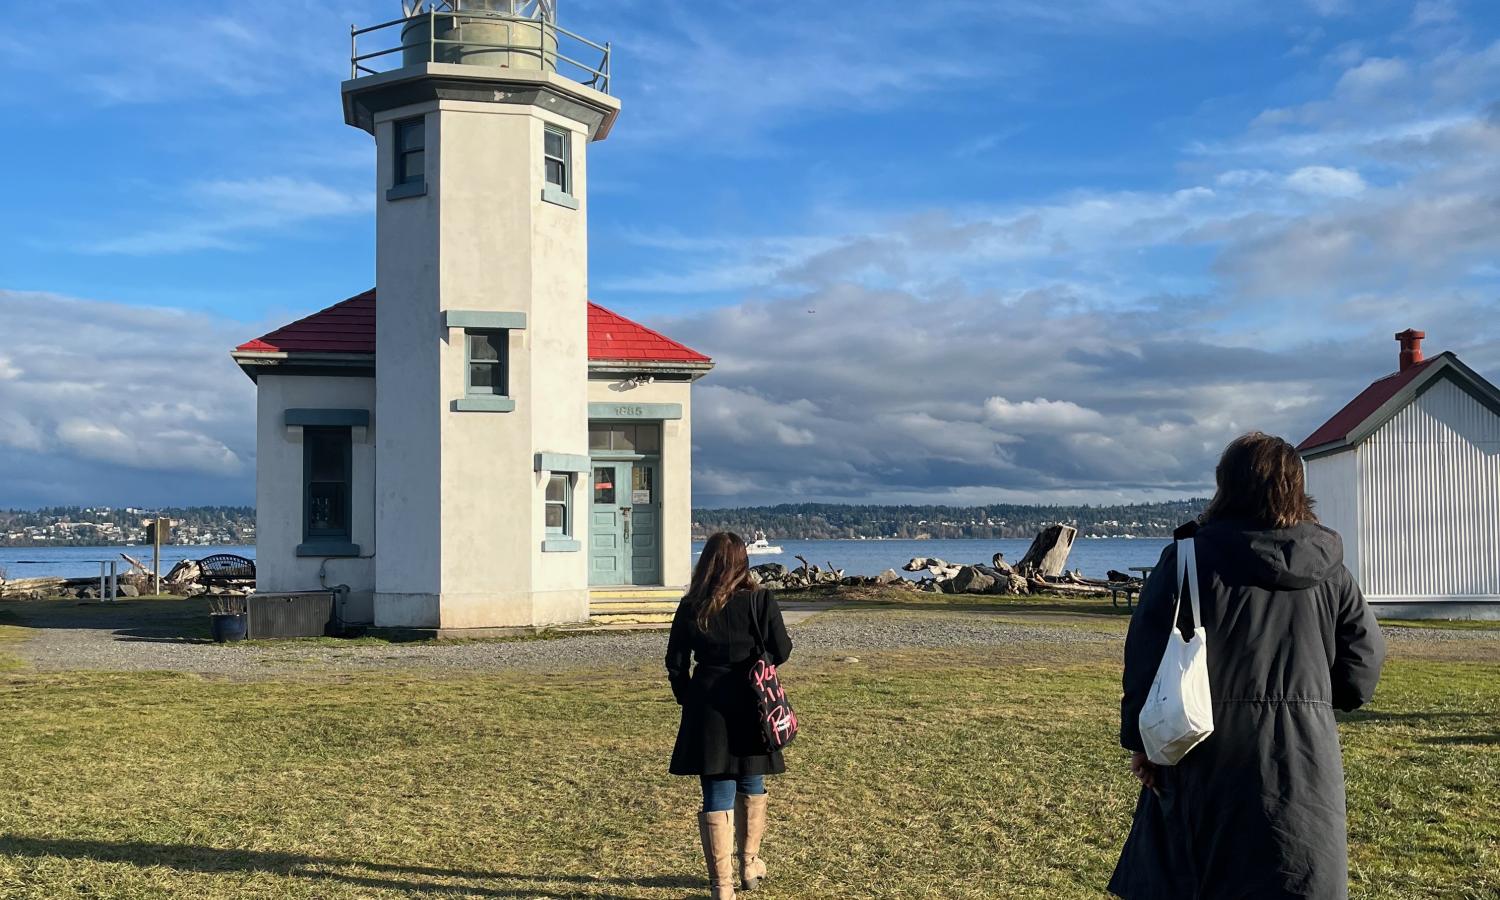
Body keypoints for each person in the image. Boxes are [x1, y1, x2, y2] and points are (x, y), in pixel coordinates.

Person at [1110, 432, 1387, 900]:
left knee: (1200, 876)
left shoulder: (1186, 559)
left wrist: (1143, 743)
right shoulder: (1330, 568)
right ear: (1296, 487)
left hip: (1199, 749)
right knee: (1295, 873)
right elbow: (1362, 666)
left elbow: (1144, 660)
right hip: (1303, 758)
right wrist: (1312, 700)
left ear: (1225, 486)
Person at [666, 531, 793, 900]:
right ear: (743, 561)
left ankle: (722, 887)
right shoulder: (760, 601)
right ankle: (748, 863)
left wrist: (688, 697)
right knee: (752, 781)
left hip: (707, 702)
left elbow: (676, 663)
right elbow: (781, 651)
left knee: (717, 788)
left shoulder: (692, 605)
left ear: (706, 562)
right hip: (754, 703)